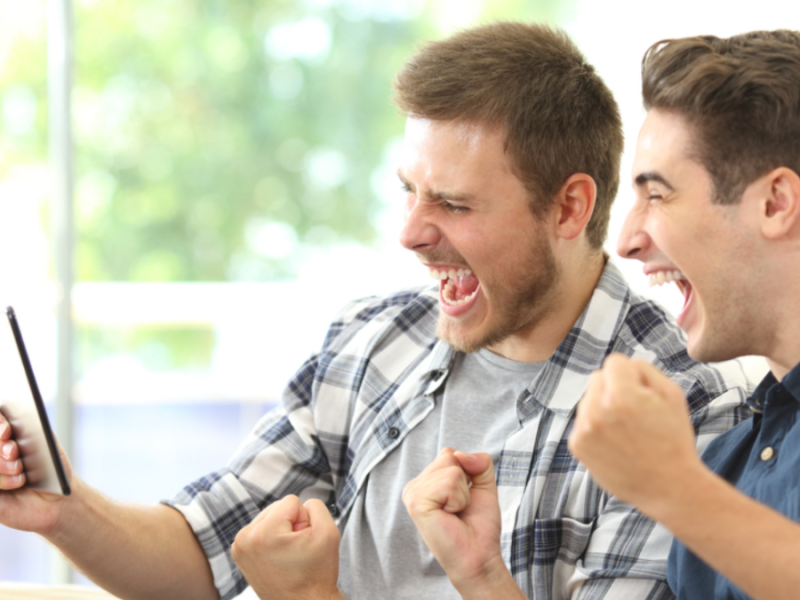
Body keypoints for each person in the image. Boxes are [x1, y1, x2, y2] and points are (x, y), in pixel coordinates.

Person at [0, 22, 750, 600]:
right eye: (408, 192)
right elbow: (199, 553)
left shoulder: (681, 414)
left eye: (453, 204)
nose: (411, 233)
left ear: (569, 207)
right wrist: (59, 506)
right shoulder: (376, 341)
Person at [569, 29, 800, 600]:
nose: (625, 240)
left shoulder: (694, 489)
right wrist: (481, 576)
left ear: (776, 203)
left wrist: (672, 487)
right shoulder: (726, 462)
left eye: (657, 194)